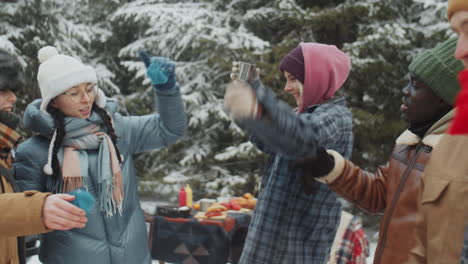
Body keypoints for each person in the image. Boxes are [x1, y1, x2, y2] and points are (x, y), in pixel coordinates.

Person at [293, 37, 464, 264]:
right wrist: (328, 166)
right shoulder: (408, 145)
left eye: (416, 85)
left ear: (443, 99)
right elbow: (379, 194)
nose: (405, 91)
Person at [14, 46, 187, 264]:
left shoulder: (117, 131)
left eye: (89, 89)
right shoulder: (35, 152)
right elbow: (23, 226)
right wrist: (52, 208)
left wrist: (166, 90)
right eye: (74, 93)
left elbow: (169, 130)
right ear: (54, 100)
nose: (86, 99)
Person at [224, 42, 353, 263]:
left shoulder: (337, 117)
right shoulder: (300, 114)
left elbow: (302, 138)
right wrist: (251, 92)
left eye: (293, 79)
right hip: (266, 240)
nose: (287, 87)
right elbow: (268, 141)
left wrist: (259, 103)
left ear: (317, 78)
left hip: (296, 247)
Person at [0, 48, 88, 264]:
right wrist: (37, 208)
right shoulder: (27, 148)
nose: (14, 97)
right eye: (3, 90)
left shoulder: (5, 147)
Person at [405, 1, 468, 263]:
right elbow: (424, 248)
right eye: (457, 34)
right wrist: (331, 167)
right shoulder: (457, 137)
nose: (460, 51)